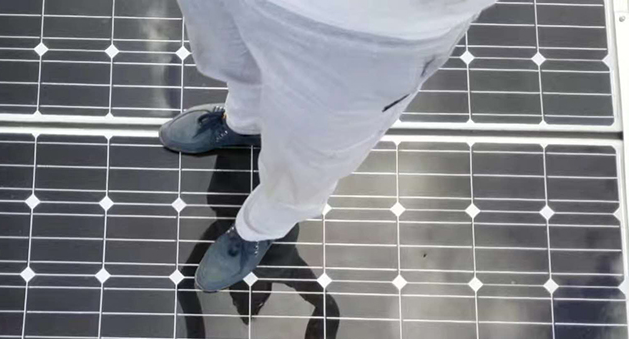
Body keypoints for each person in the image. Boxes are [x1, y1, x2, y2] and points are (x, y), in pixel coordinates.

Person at [160, 0, 496, 292]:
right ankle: (243, 122)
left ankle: (262, 225)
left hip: (370, 26)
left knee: (313, 154)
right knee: (231, 58)